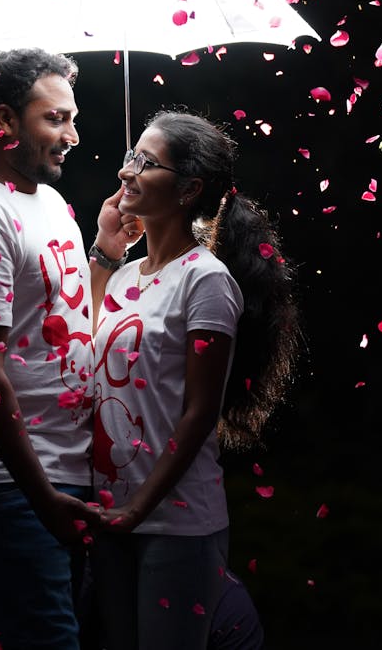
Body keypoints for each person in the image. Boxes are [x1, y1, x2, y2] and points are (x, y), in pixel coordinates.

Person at [0, 48, 141, 650]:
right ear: (5, 122)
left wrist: (103, 252)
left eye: (72, 118)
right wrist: (40, 494)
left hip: (67, 473)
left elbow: (74, 319)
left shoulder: (49, 204)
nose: (73, 135)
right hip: (11, 484)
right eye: (55, 119)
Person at [88, 108, 300, 650]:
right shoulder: (127, 275)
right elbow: (80, 342)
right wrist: (107, 251)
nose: (126, 171)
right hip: (109, 515)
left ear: (188, 190)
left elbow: (201, 411)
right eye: (131, 155)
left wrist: (139, 508)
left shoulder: (206, 282)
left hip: (175, 524)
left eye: (146, 162)